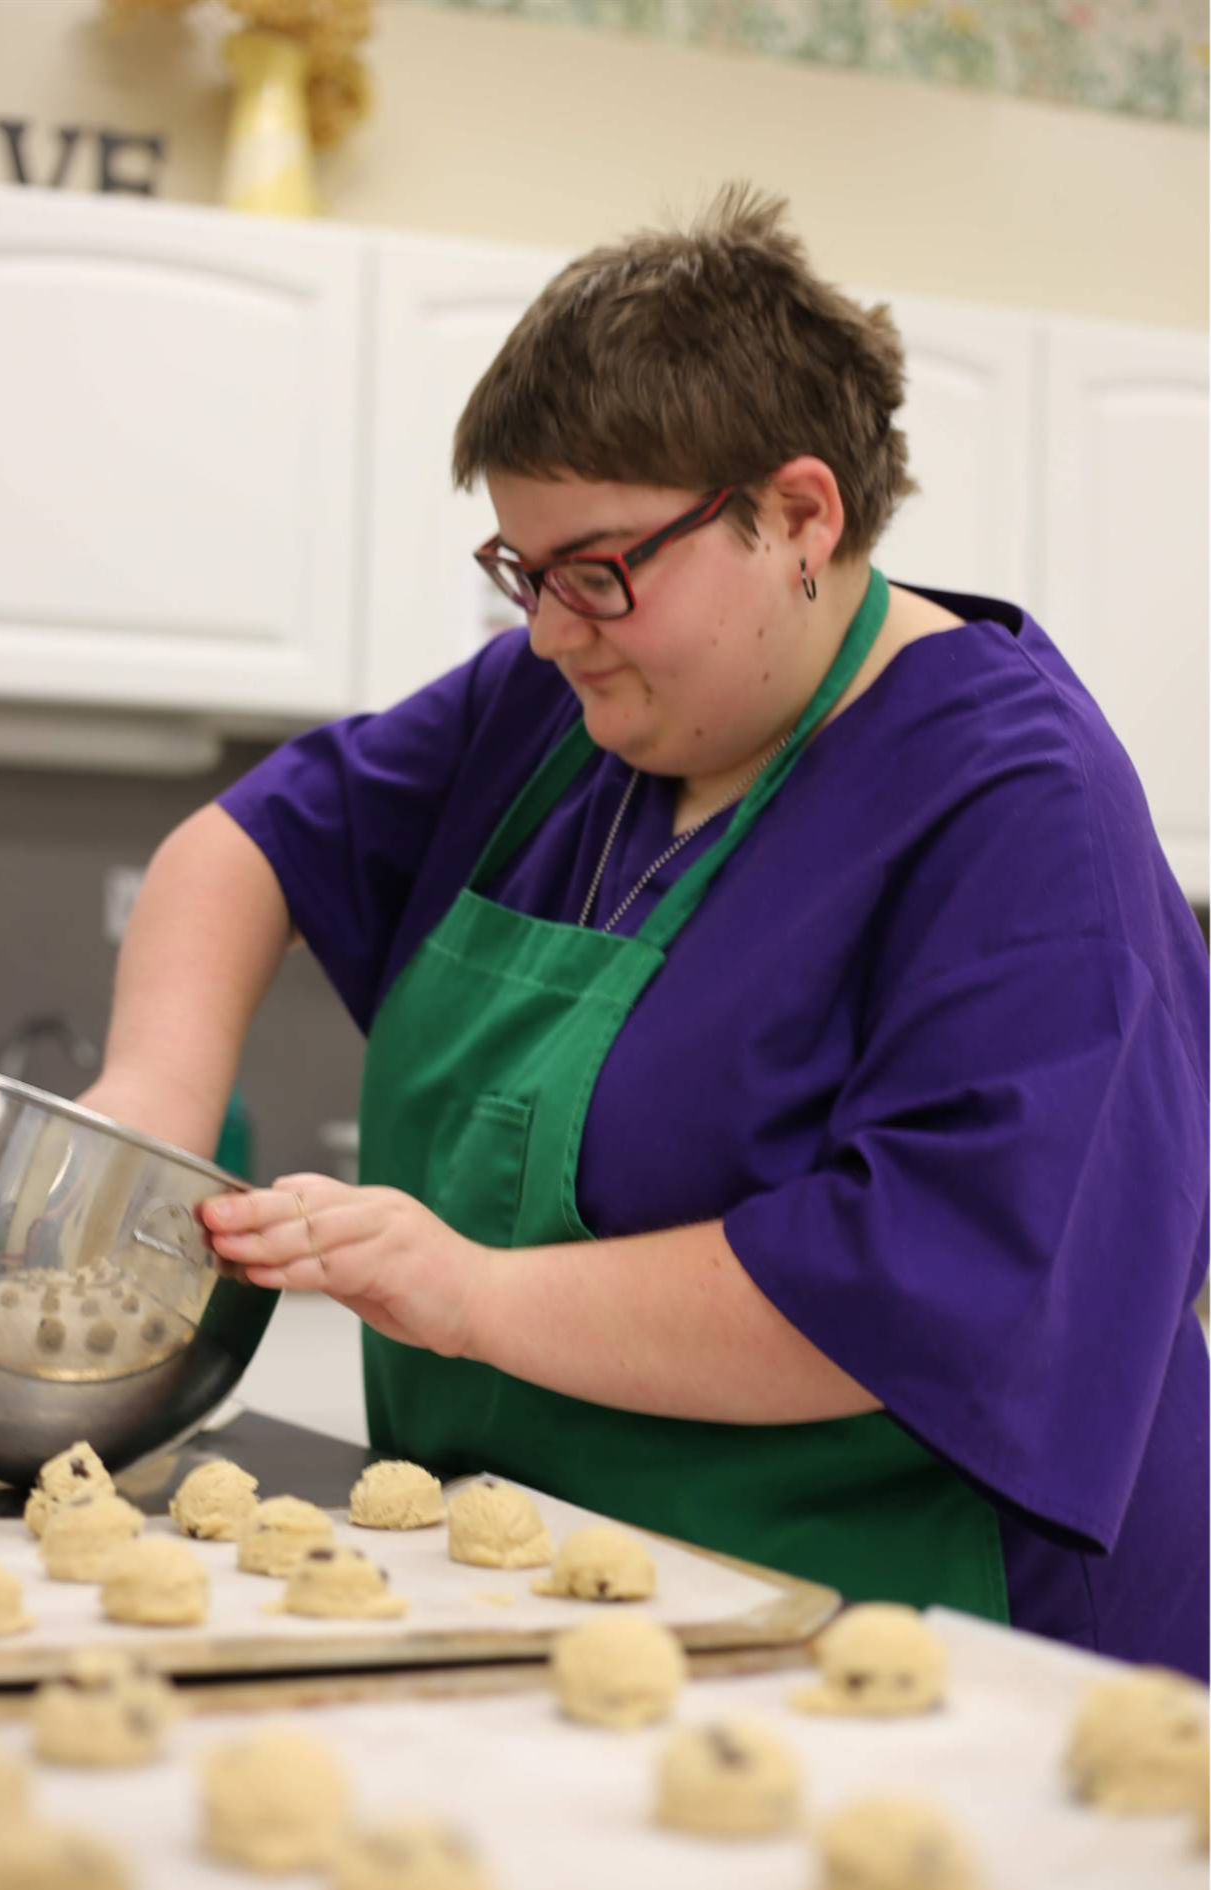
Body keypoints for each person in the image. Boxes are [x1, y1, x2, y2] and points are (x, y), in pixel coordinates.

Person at [80, 186, 1211, 1678]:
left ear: (799, 514)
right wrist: (146, 1107)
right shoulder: (566, 707)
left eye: (600, 568)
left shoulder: (1017, 813)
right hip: (556, 1594)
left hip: (899, 1634)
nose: (549, 629)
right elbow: (250, 842)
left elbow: (914, 1294)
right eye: (521, 571)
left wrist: (471, 1294)